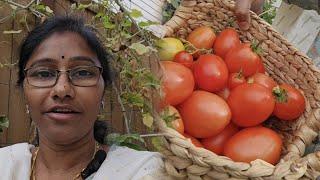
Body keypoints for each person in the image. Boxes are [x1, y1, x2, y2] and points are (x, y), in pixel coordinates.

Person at [0, 16, 167, 180]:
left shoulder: (145, 171)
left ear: (103, 93)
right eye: (43, 73)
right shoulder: (5, 165)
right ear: (24, 92)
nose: (62, 89)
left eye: (82, 73)